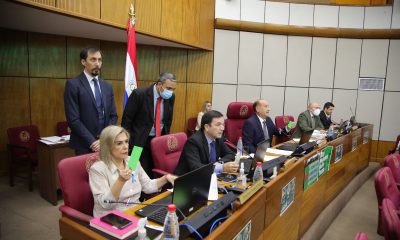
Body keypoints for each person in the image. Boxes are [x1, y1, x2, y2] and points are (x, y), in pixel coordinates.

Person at [89, 125, 177, 217]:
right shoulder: (97, 169)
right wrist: (120, 181)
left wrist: (166, 178)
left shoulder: (133, 159)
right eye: (119, 143)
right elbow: (106, 204)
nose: (125, 147)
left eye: (126, 142)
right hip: (112, 216)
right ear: (107, 146)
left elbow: (148, 186)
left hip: (136, 210)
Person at [64, 47, 118, 155]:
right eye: (93, 60)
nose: (97, 63)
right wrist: (92, 141)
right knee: (87, 172)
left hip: (104, 143)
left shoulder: (107, 86)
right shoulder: (73, 85)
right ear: (83, 62)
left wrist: (103, 139)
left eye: (100, 60)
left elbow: (113, 115)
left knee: (105, 171)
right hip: (84, 144)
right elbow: (73, 119)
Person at [121, 72, 177, 177]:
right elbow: (126, 120)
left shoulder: (171, 97)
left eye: (173, 89)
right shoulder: (139, 94)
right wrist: (128, 142)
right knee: (132, 171)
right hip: (138, 141)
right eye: (169, 88)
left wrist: (165, 138)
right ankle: (133, 192)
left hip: (158, 140)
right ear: (159, 84)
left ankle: (152, 193)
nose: (171, 92)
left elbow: (168, 121)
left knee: (153, 170)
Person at [174, 110, 238, 176]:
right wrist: (221, 168)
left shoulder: (218, 138)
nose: (222, 128)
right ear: (207, 127)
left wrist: (219, 164)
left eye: (223, 125)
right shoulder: (193, 141)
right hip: (187, 179)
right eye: (218, 125)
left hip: (208, 176)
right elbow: (196, 168)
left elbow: (230, 154)